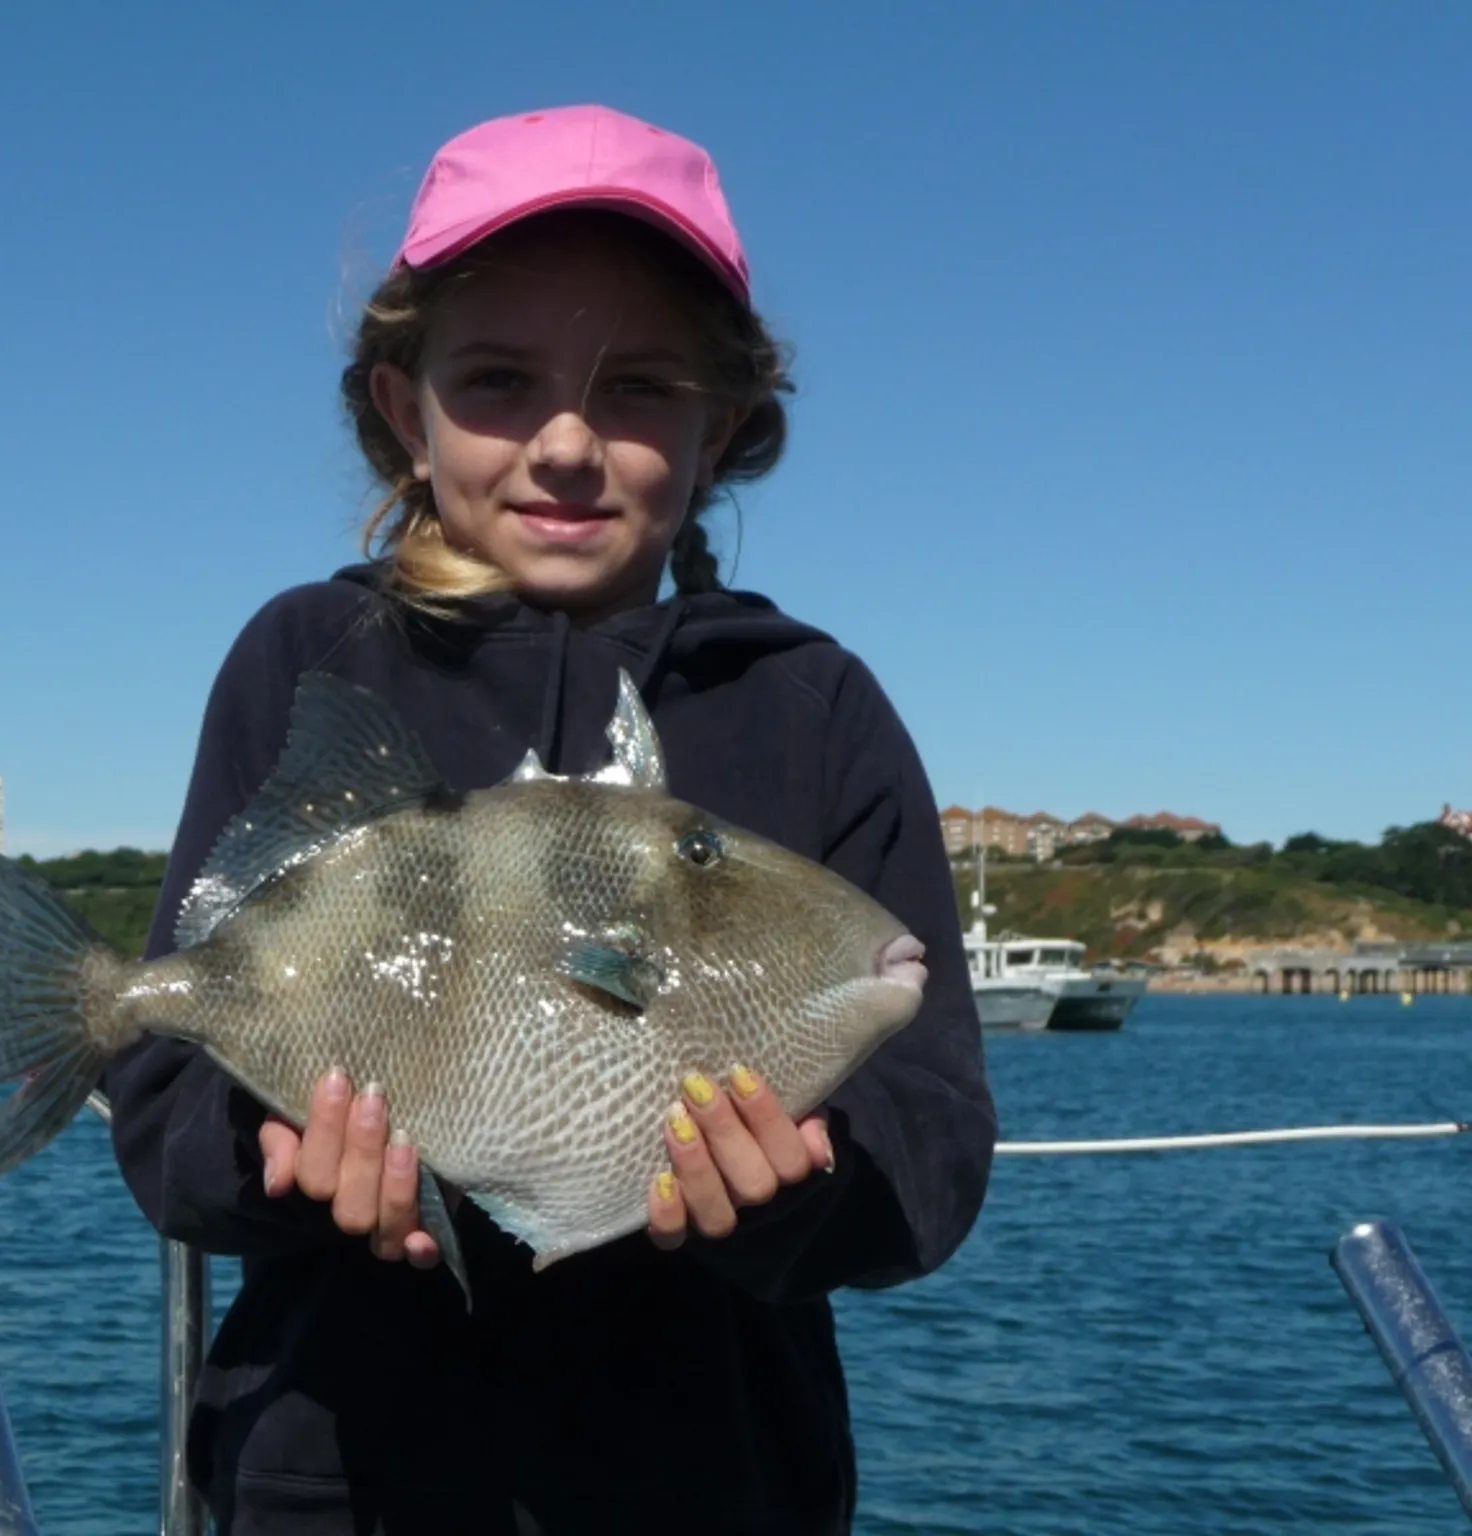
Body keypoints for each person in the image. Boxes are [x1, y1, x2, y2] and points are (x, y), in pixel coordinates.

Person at [102, 104, 996, 1535]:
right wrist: (275, 1162)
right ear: (408, 410)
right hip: (338, 1491)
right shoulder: (310, 661)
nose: (568, 443)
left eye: (638, 388)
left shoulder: (811, 708)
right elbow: (164, 1112)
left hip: (713, 1491)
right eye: (502, 381)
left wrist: (797, 1201)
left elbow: (936, 1139)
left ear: (725, 428)